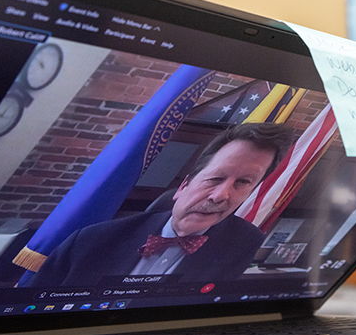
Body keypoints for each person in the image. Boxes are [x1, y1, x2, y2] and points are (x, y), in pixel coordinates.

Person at [28, 122, 295, 287]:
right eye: (215, 178)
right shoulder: (90, 241)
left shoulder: (242, 241)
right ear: (183, 186)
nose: (220, 196)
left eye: (243, 183)